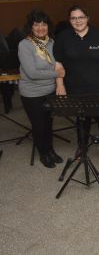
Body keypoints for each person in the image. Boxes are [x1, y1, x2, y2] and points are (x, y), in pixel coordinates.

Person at [54, 5, 99, 159]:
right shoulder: (63, 37)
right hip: (76, 87)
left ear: (87, 18)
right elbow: (58, 63)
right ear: (70, 20)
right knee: (81, 118)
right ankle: (82, 146)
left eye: (81, 17)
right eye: (74, 18)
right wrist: (60, 84)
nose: (78, 21)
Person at [18, 10, 64, 168]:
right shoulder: (25, 45)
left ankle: (50, 150)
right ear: (30, 27)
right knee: (38, 125)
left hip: (49, 91)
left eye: (43, 24)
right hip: (32, 93)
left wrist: (58, 79)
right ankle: (43, 153)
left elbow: (58, 62)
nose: (40, 28)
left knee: (48, 123)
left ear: (48, 26)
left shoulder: (51, 42)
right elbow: (32, 73)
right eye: (36, 24)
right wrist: (56, 73)